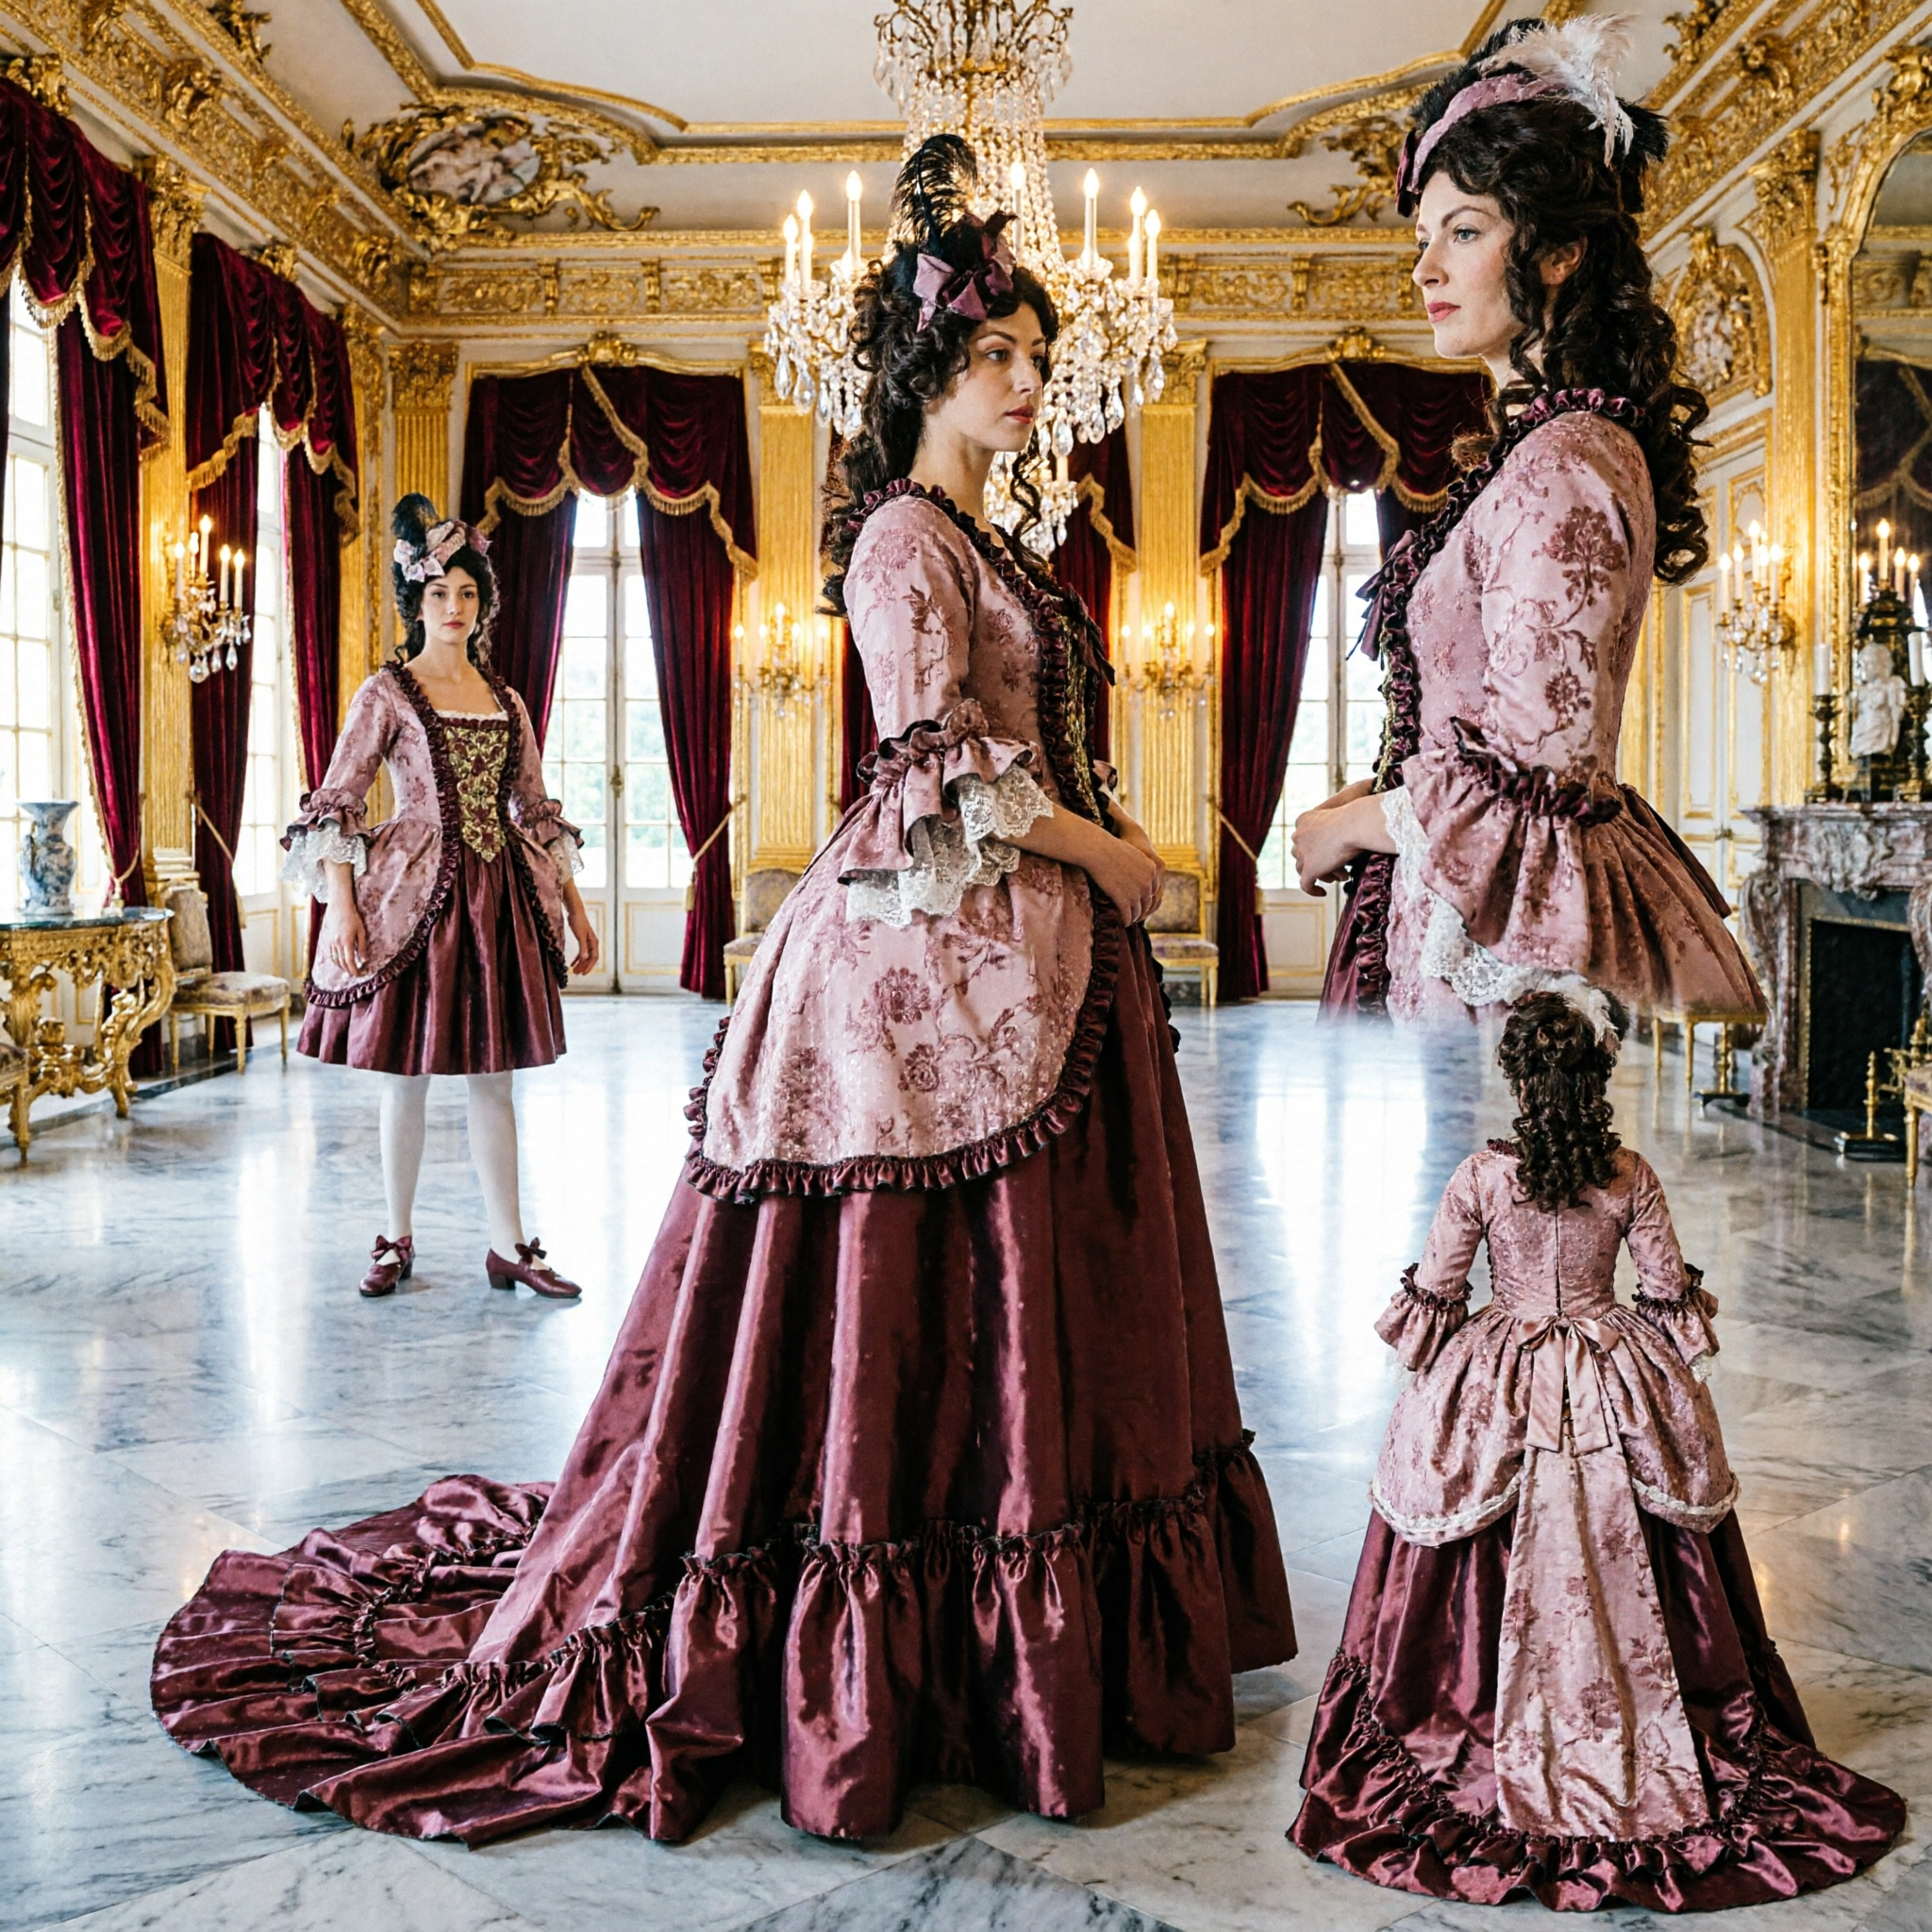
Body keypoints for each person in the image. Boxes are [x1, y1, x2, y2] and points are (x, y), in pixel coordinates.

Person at [151, 137, 1295, 1846]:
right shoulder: (902, 537)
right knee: (919, 1296)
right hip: (927, 970)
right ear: (925, 371)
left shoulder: (988, 539)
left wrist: (1104, 849)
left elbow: (1026, 743)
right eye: (997, 353)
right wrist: (1113, 858)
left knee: (1028, 1314)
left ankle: (1011, 1629)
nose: (1026, 379)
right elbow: (935, 770)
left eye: (1037, 357)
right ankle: (902, 1634)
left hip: (1037, 968)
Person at [1290, 990, 1906, 1910]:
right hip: (1612, 1371)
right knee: (1647, 1522)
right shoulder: (1627, 1173)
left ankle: (1477, 1712)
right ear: (1595, 1081)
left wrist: (1435, 1374)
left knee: (1446, 1496)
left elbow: (1437, 1292)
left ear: (1517, 1082)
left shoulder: (1481, 1176)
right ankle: (1645, 1716)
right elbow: (1663, 1296)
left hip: (1500, 1369)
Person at [1298, 17, 1763, 1026]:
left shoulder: (1564, 466)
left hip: (1492, 949)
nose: (1425, 269)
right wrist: (1370, 806)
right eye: (1423, 239)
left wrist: (1355, 827)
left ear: (1557, 253)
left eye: (1463, 232)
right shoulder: (1541, 452)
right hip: (1456, 913)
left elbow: (1538, 777)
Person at [282, 495, 600, 1299]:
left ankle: (509, 1245)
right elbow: (338, 801)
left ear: (482, 602)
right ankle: (395, 1238)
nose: (455, 606)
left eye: (467, 593)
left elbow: (534, 806)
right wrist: (342, 904)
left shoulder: (507, 700)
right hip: (413, 897)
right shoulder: (386, 693)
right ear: (416, 602)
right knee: (406, 1078)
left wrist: (576, 905)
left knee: (497, 1080)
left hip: (499, 902)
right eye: (439, 593)